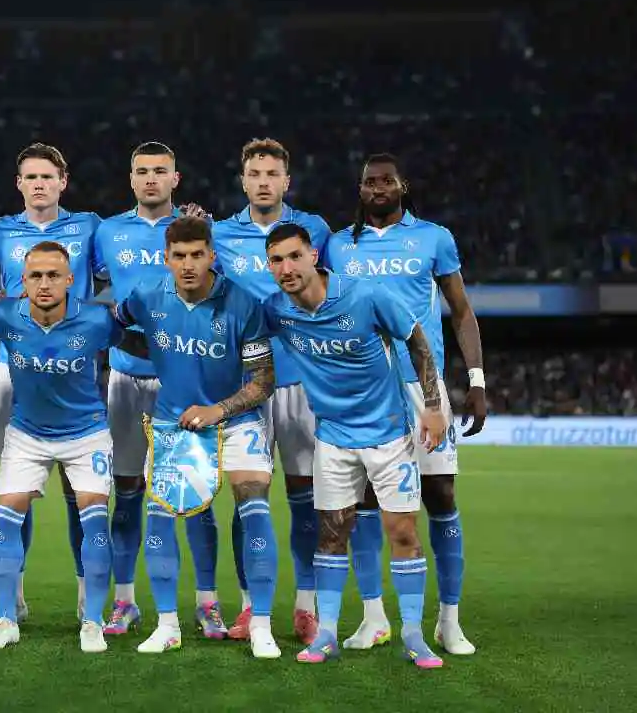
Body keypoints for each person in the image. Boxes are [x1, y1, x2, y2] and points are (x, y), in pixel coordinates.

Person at [261, 223, 447, 670]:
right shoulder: (276, 311)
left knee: (402, 532)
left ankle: (413, 634)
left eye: (294, 256)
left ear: (313, 257)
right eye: (276, 261)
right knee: (331, 535)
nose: (286, 268)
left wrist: (433, 405)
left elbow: (416, 340)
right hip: (332, 438)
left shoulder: (364, 295)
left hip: (388, 434)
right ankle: (327, 633)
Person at [325, 153, 486, 656]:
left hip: (422, 388)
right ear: (360, 189)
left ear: (403, 186)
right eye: (369, 182)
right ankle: (373, 618)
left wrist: (476, 379)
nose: (377, 188)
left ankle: (449, 621)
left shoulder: (434, 238)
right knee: (364, 503)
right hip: (363, 390)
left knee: (440, 495)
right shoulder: (337, 245)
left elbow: (461, 312)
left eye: (386, 181)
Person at [113, 216, 282, 659]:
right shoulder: (146, 296)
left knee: (254, 505)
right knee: (159, 515)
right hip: (175, 424)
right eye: (179, 256)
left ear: (212, 256)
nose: (188, 264)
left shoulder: (243, 303)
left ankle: (261, 625)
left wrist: (217, 410)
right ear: (166, 258)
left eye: (197, 255)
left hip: (235, 421)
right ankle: (167, 625)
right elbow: (114, 325)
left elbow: (264, 380)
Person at [92, 142, 224, 638]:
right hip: (126, 376)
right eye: (142, 171)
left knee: (195, 494)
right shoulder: (107, 232)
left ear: (175, 178)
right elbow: (87, 287)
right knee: (127, 491)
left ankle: (207, 602)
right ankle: (125, 601)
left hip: (184, 379)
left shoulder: (196, 229)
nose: (151, 178)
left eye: (160, 171)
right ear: (131, 179)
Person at [0, 242, 127, 653]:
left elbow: (133, 342)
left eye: (53, 275)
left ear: (70, 280)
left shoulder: (96, 319)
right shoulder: (4, 316)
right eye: (36, 276)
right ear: (22, 282)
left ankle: (92, 621)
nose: (44, 284)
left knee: (94, 521)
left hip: (86, 433)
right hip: (27, 433)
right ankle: (7, 618)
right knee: (6, 519)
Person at [0, 142, 105, 628]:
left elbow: (118, 272)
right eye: (30, 177)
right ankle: (13, 595)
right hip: (15, 367)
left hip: (75, 368)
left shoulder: (89, 226)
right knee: (18, 489)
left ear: (62, 182)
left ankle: (85, 593)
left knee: (79, 491)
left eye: (47, 177)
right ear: (19, 184)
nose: (39, 184)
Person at [211, 138, 331, 644]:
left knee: (306, 497)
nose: (263, 182)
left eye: (272, 174)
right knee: (247, 495)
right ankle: (248, 605)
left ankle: (306, 606)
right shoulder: (219, 234)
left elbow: (329, 296)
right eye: (255, 174)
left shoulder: (314, 229)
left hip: (301, 380)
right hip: (244, 386)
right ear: (243, 181)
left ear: (287, 181)